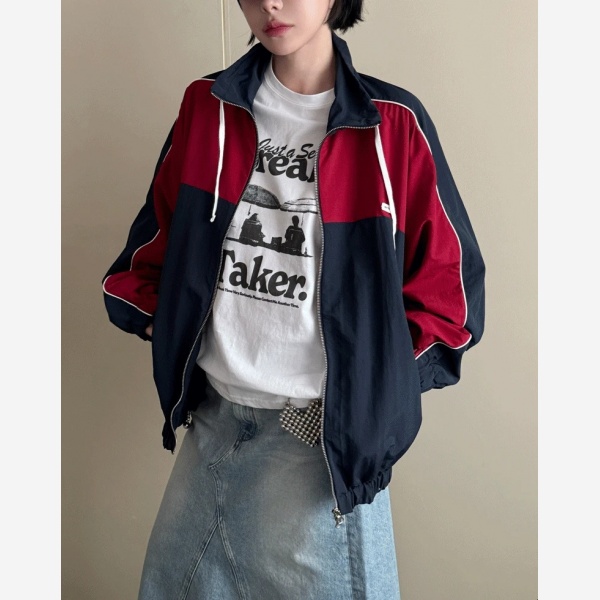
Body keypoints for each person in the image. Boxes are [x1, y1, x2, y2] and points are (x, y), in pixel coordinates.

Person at [102, 0, 486, 598]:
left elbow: (451, 292)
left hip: (318, 447)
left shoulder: (391, 125)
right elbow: (155, 243)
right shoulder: (207, 108)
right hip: (212, 425)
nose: (270, 4)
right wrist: (165, 323)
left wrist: (373, 387)